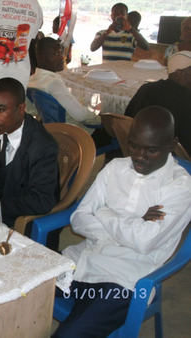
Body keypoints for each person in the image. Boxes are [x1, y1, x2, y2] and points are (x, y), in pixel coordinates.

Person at [53, 106, 191, 337]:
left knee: (69, 334)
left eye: (152, 150)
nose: (139, 156)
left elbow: (144, 243)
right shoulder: (114, 168)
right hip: (82, 260)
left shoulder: (180, 186)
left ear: (171, 144)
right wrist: (133, 223)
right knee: (20, 293)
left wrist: (105, 213)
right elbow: (79, 220)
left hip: (125, 281)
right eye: (134, 146)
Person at [0, 77, 59, 230]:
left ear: (21, 109)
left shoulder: (42, 146)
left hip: (22, 223)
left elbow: (42, 200)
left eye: (0, 110)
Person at [28, 37, 110, 147]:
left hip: (51, 132)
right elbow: (80, 115)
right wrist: (100, 119)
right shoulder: (53, 83)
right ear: (42, 58)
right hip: (76, 136)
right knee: (116, 132)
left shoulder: (31, 81)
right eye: (55, 54)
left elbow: (31, 110)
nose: (62, 57)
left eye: (61, 52)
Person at [125, 51, 191, 155]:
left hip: (140, 152)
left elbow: (127, 119)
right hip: (178, 157)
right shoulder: (187, 98)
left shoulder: (146, 89)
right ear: (179, 73)